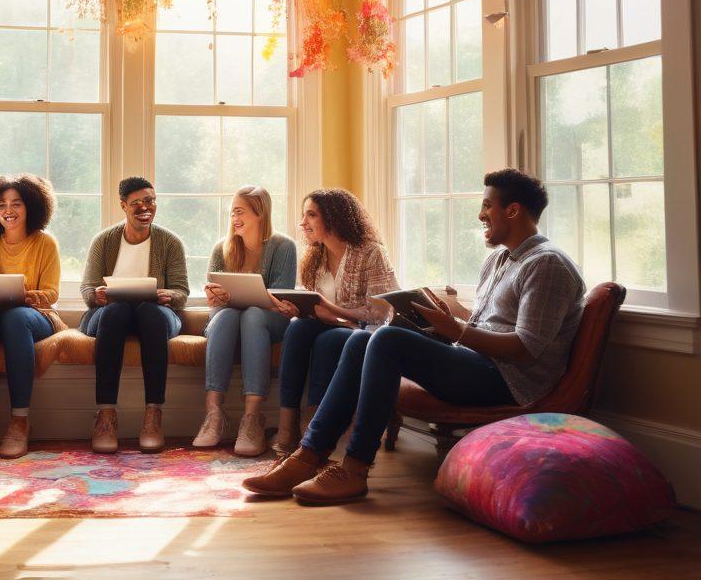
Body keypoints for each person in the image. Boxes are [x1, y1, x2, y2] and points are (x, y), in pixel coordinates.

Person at [243, 169, 585, 505]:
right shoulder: (499, 260)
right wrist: (444, 317)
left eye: (487, 206)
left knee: (386, 339)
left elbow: (526, 348)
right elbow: (489, 326)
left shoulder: (546, 265)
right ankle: (308, 456)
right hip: (476, 361)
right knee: (363, 340)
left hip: (509, 379)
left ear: (513, 210)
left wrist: (456, 330)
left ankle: (355, 468)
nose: (481, 215)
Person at [272, 189, 397, 452]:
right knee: (296, 328)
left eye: (311, 215)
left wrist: (334, 312)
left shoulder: (371, 253)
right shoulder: (314, 256)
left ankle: (313, 428)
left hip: (362, 330)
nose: (303, 223)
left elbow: (383, 312)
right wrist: (296, 309)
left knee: (329, 341)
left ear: (333, 218)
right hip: (326, 323)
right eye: (303, 215)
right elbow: (312, 305)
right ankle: (287, 424)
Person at [79, 176, 189, 453]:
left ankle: (153, 415)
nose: (145, 208)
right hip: (109, 314)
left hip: (154, 314)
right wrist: (97, 295)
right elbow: (87, 287)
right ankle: (105, 415)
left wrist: (168, 295)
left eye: (150, 201)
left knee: (149, 313)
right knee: (117, 311)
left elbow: (181, 291)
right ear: (123, 206)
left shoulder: (170, 242)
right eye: (136, 203)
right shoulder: (104, 241)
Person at [0, 174, 61, 459]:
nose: (8, 210)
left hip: (34, 316)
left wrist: (25, 295)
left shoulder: (45, 243)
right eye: (2, 204)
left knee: (14, 318)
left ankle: (20, 420)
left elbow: (51, 293)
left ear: (31, 207)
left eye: (16, 203)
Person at [194, 185, 297, 457]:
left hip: (268, 321)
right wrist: (217, 297)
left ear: (259, 213)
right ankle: (214, 413)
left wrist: (251, 298)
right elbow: (212, 298)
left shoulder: (284, 247)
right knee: (227, 315)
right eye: (231, 213)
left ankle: (252, 418)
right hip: (226, 316)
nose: (234, 218)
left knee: (251, 315)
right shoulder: (222, 248)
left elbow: (280, 298)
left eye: (239, 212)